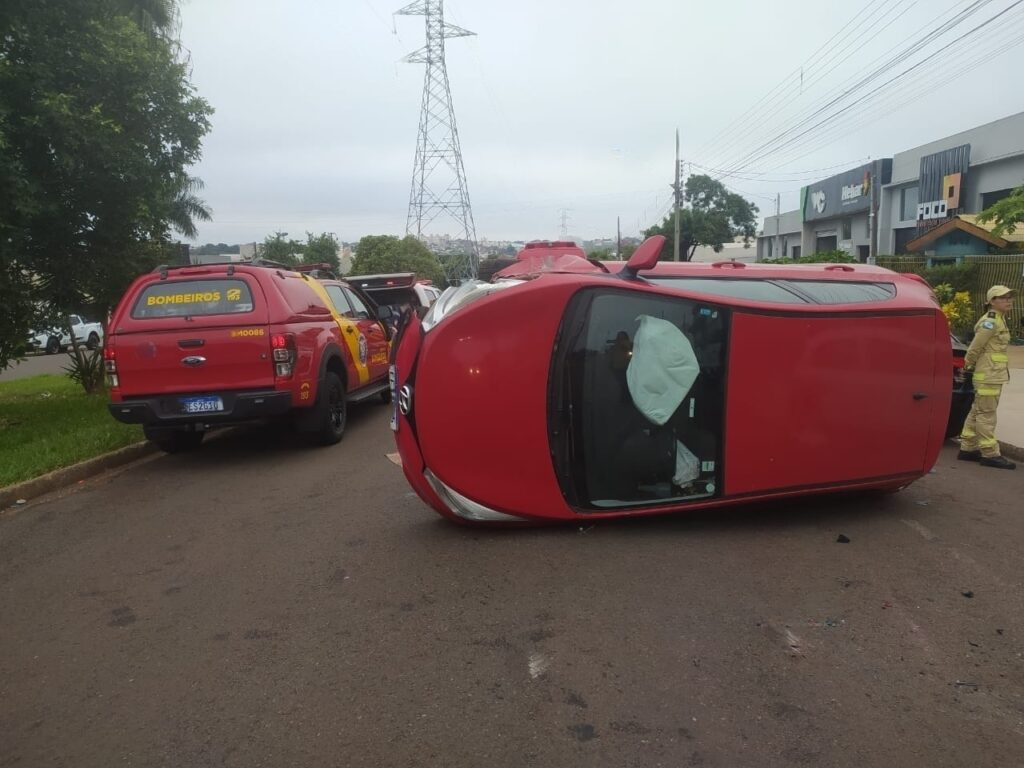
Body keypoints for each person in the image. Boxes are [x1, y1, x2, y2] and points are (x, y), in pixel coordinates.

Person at [958, 285, 1016, 469]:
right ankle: (990, 454)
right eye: (1003, 297)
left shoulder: (998, 319)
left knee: (977, 411)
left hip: (991, 373)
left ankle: (968, 448)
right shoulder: (990, 322)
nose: (1008, 300)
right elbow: (975, 347)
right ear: (992, 301)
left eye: (1009, 297)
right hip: (988, 375)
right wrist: (967, 366)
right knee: (987, 414)